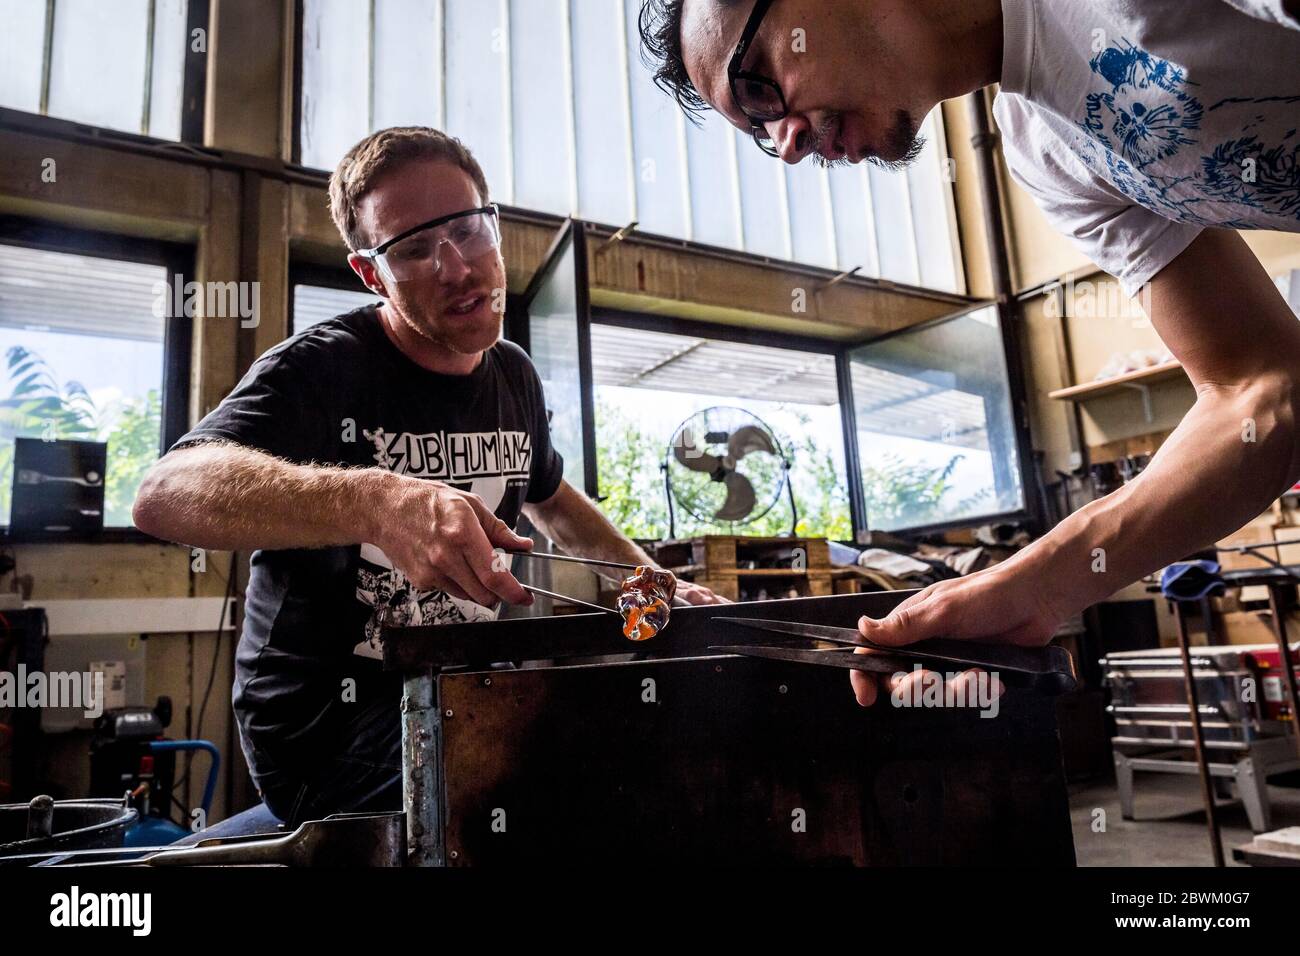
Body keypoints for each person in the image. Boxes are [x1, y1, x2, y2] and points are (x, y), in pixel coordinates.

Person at [638, 0, 1300, 705]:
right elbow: (1262, 390)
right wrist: (1031, 586)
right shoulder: (1051, 156)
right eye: (760, 132)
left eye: (758, 86)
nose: (789, 143)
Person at [133, 127, 724, 825]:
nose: (456, 267)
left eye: (469, 230)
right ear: (370, 273)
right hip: (326, 736)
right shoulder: (320, 369)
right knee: (565, 790)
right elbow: (162, 496)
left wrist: (650, 586)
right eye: (413, 248)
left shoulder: (513, 375)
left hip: (469, 691)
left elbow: (553, 499)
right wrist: (376, 500)